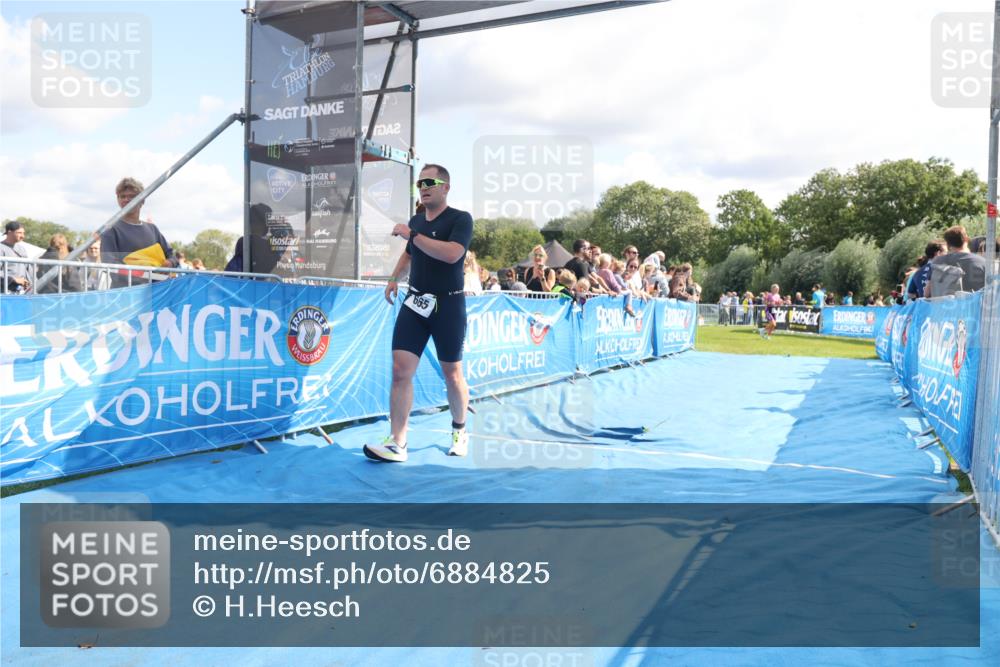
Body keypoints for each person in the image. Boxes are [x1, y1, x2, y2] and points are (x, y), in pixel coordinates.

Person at [365, 164, 473, 463]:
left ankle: (459, 428)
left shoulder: (460, 219)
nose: (423, 186)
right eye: (420, 182)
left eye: (430, 181)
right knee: (400, 372)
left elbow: (452, 254)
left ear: (445, 187)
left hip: (448, 305)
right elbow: (410, 254)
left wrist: (412, 234)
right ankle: (398, 444)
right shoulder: (416, 221)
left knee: (452, 374)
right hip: (415, 302)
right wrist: (393, 278)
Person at [101, 177, 177, 286]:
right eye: (123, 196)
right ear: (118, 200)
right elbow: (110, 265)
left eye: (132, 197)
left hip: (156, 293)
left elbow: (171, 256)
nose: (127, 200)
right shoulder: (110, 229)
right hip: (126, 294)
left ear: (142, 200)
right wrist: (145, 274)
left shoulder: (152, 229)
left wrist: (169, 263)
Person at [927, 226, 988, 296]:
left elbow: (927, 292)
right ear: (966, 239)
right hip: (973, 306)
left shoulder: (937, 262)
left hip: (946, 305)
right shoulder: (982, 262)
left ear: (948, 244)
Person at [1, 220, 33, 293]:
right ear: (9, 232)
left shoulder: (22, 249)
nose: (22, 236)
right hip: (5, 293)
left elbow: (29, 270)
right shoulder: (1, 248)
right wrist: (14, 279)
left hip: (22, 292)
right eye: (19, 233)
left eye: (23, 233)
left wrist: (32, 284)